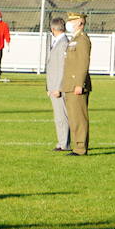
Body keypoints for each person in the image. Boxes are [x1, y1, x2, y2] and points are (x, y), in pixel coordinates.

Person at [61, 12, 92, 156]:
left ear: (80, 22)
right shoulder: (74, 39)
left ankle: (80, 148)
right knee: (73, 118)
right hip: (69, 84)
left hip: (76, 85)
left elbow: (83, 63)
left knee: (79, 117)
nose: (69, 23)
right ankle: (77, 145)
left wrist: (79, 83)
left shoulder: (82, 40)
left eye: (72, 20)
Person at [45, 17, 70, 152]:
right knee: (58, 116)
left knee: (62, 115)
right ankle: (61, 141)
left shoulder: (63, 43)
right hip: (53, 85)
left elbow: (62, 68)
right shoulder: (58, 42)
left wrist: (58, 88)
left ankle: (64, 143)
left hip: (58, 86)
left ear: (53, 29)